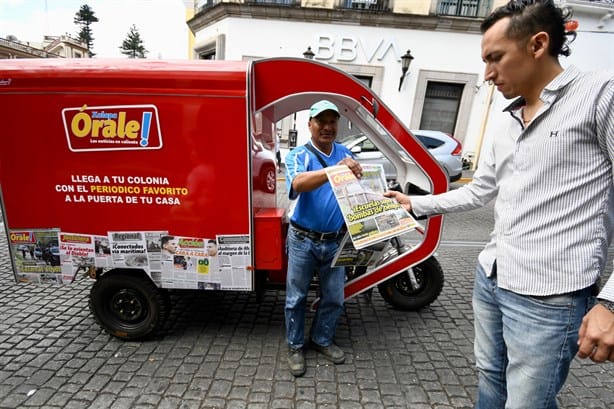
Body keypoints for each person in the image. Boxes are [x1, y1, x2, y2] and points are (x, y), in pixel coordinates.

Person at [385, 1, 613, 406]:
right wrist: (415, 204)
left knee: (528, 402)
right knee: (491, 380)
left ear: (538, 44)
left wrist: (610, 303)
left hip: (550, 295)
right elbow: (481, 189)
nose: (487, 74)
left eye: (495, 58)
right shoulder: (507, 118)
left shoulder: (599, 95)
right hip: (492, 277)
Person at [284, 99, 363, 377]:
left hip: (336, 240)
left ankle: (321, 340)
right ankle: (295, 346)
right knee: (296, 297)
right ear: (310, 125)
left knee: (334, 297)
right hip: (303, 239)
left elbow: (358, 188)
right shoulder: (297, 155)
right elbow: (297, 184)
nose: (327, 127)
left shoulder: (345, 152)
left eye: (332, 121)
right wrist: (334, 170)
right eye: (321, 121)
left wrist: (357, 172)